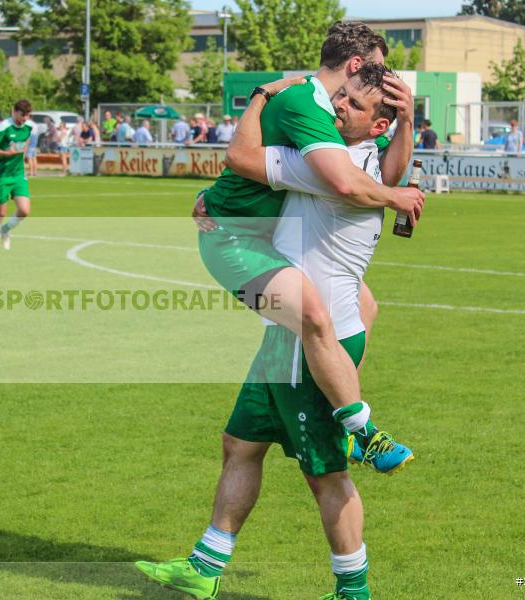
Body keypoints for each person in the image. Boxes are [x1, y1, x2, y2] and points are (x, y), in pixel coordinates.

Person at [136, 64, 413, 600]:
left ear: (376, 126)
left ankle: (354, 590)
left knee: (325, 473)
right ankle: (204, 567)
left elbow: (241, 159)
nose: (336, 108)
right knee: (240, 445)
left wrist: (217, 204)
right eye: (341, 98)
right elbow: (387, 178)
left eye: (351, 105)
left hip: (309, 344)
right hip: (297, 335)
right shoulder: (366, 165)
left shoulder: (328, 170)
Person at [191, 21, 421, 472]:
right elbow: (339, 181)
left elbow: (377, 175)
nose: (386, 78)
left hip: (257, 240)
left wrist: (406, 122)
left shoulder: (352, 137)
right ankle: (361, 429)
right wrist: (396, 198)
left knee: (241, 445)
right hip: (235, 240)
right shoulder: (312, 109)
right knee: (316, 316)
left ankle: (211, 546)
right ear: (355, 65)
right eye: (377, 69)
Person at [0, 99, 35, 256]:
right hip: (3, 175)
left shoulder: (29, 127)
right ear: (14, 111)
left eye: (28, 116)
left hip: (19, 174)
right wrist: (6, 153)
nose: (25, 119)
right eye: (23, 115)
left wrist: (23, 160)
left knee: (24, 210)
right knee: (0, 212)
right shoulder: (4, 127)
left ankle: (5, 230)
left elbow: (25, 142)